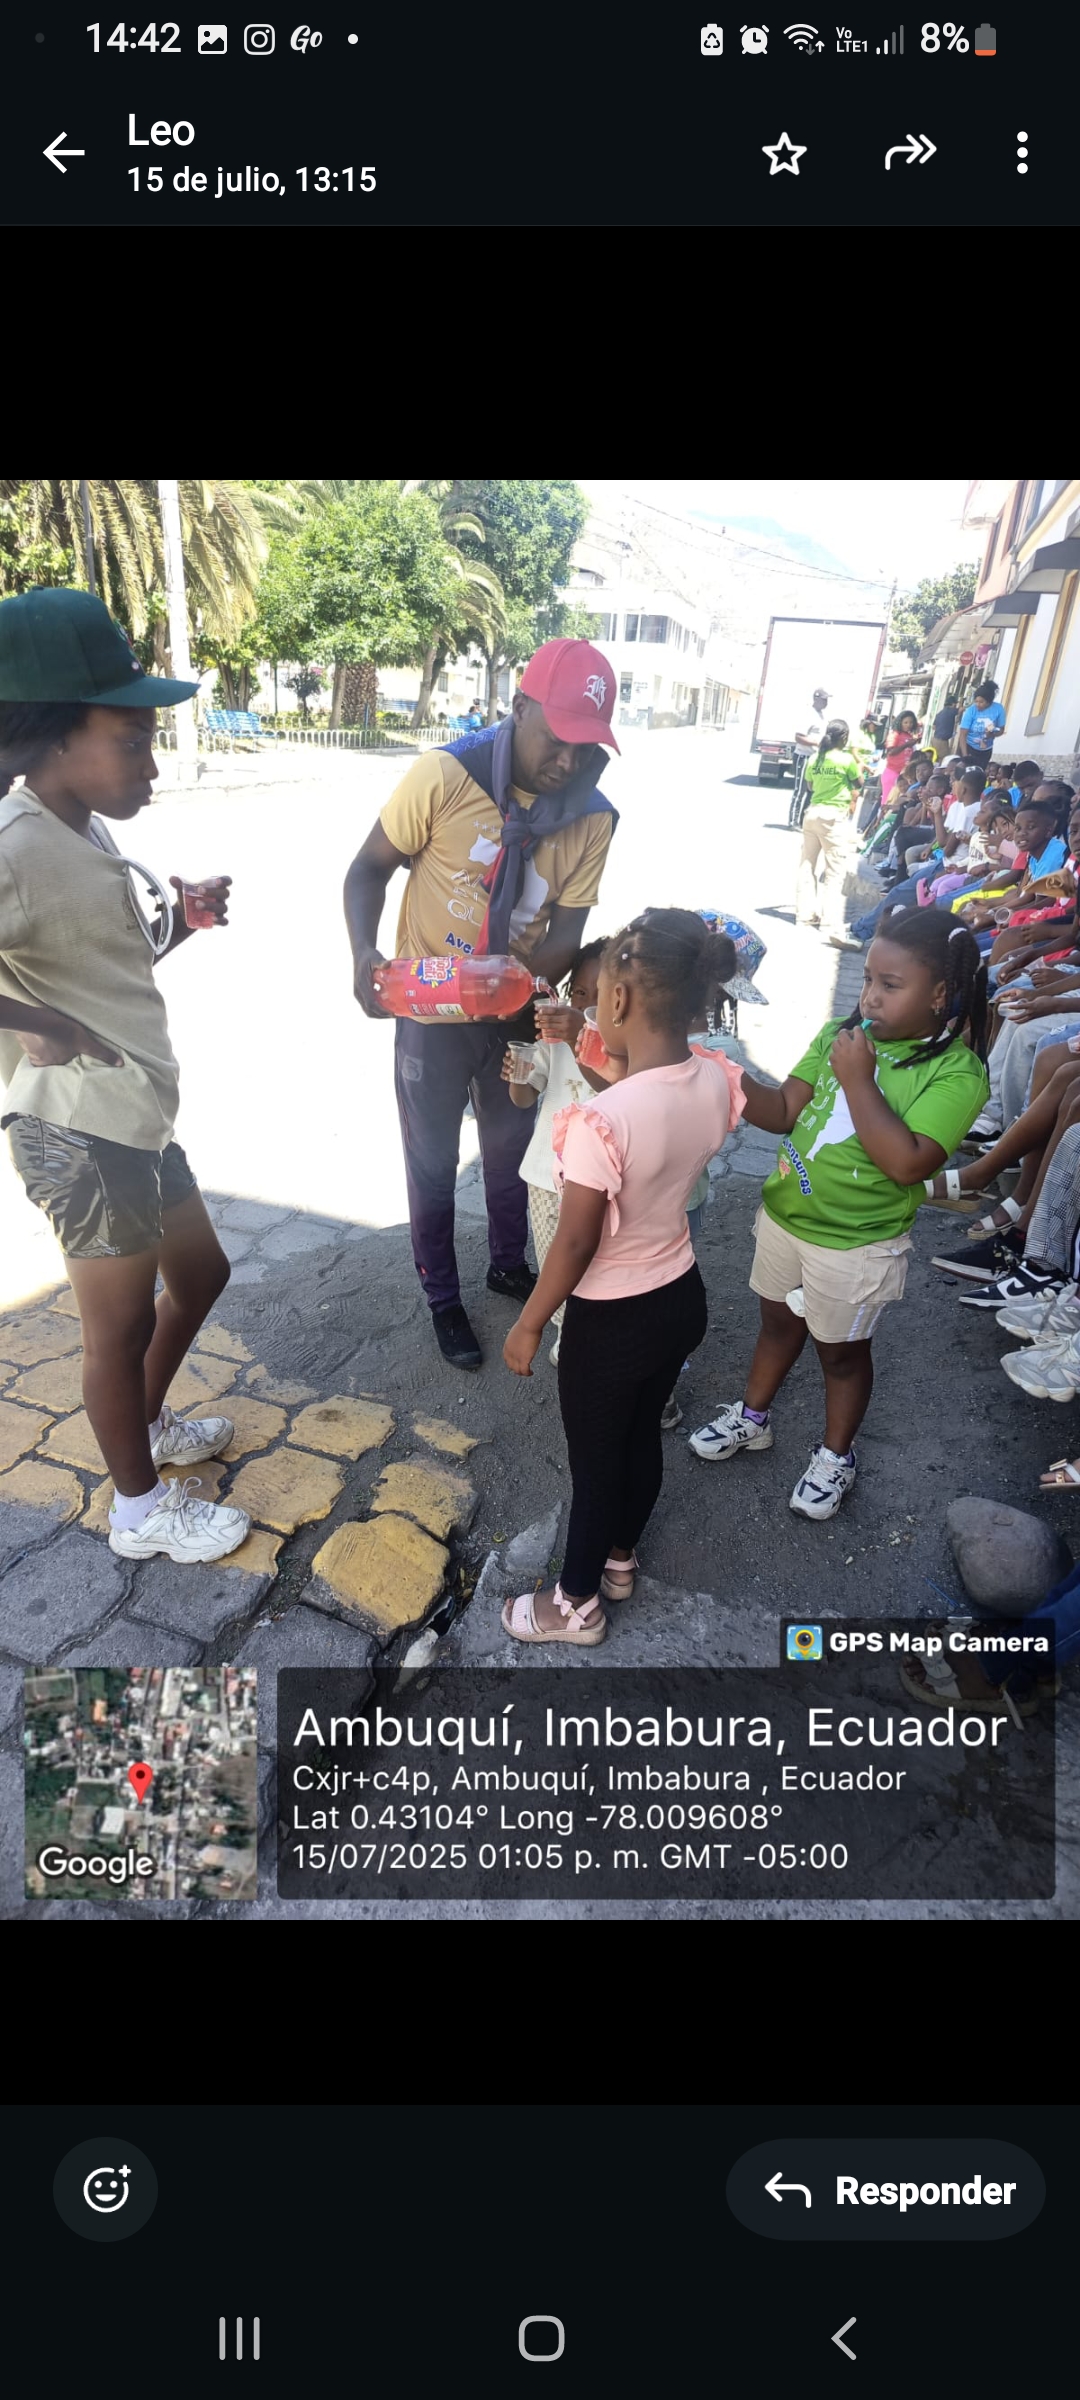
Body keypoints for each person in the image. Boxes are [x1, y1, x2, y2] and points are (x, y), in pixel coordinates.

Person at [0, 587, 251, 1565]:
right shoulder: (17, 844)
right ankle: (139, 1511)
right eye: (134, 741)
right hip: (76, 1128)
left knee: (203, 1273)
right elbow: (51, 1002)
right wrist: (35, 1025)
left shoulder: (79, 825)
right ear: (56, 736)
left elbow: (104, 968)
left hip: (133, 1114)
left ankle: (145, 1428)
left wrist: (178, 926)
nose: (151, 763)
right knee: (119, 1326)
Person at [344, 637, 620, 1370]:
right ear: (519, 707)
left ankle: (506, 1263)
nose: (568, 762)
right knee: (433, 1159)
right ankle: (442, 1296)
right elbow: (367, 870)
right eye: (556, 738)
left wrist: (510, 988)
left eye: (587, 747)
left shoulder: (593, 816)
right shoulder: (445, 775)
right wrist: (363, 953)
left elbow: (567, 935)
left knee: (512, 1150)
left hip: (516, 1015)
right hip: (431, 1014)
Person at [689, 910, 989, 1519]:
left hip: (858, 1244)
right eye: (869, 978)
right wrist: (719, 1071)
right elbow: (783, 1112)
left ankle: (836, 1455)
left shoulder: (956, 1073)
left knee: (842, 1354)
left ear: (940, 993)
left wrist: (858, 1080)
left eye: (890, 985)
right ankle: (753, 1418)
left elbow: (907, 1164)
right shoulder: (838, 1035)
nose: (870, 996)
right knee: (776, 1326)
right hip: (786, 1219)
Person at [500, 911, 744, 1645]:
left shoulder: (601, 1119)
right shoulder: (714, 1078)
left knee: (597, 1466)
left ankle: (574, 1604)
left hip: (609, 1322)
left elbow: (575, 1242)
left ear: (615, 1001)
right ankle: (620, 1560)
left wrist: (530, 1321)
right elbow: (763, 1107)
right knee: (641, 1440)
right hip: (679, 1298)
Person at [500, 937, 610, 1367]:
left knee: (601, 1263)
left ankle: (599, 1330)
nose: (588, 1006)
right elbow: (525, 1098)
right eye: (580, 993)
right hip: (548, 1178)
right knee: (554, 1266)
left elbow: (613, 1086)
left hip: (602, 1182)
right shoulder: (552, 1039)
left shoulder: (623, 1047)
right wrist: (518, 1076)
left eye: (602, 996)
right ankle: (567, 1333)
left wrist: (584, 1037)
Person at [795, 717, 863, 949]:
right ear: (844, 737)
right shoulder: (846, 759)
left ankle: (804, 915)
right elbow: (859, 783)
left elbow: (810, 786)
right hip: (833, 818)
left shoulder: (815, 758)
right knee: (834, 871)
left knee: (807, 865)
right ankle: (829, 920)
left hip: (812, 814)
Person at [791, 687, 831, 815]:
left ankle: (803, 820)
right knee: (800, 790)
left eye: (827, 700)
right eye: (824, 699)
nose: (826, 702)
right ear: (816, 699)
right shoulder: (808, 714)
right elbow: (798, 737)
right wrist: (816, 743)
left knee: (812, 790)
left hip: (816, 758)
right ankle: (793, 821)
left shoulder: (822, 716)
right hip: (804, 757)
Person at [957, 679, 1006, 768]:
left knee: (979, 772)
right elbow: (963, 734)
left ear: (989, 702)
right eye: (976, 701)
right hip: (969, 747)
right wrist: (965, 756)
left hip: (985, 750)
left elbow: (1001, 730)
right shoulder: (971, 710)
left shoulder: (998, 709)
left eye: (981, 702)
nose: (978, 704)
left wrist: (991, 735)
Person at [879, 709, 921, 806]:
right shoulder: (894, 734)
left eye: (911, 722)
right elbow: (890, 752)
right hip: (892, 772)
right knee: (888, 800)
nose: (908, 725)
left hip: (903, 774)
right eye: (905, 722)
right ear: (900, 722)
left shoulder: (909, 736)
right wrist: (907, 745)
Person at [931, 691, 959, 760]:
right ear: (953, 704)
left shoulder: (940, 713)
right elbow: (961, 709)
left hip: (935, 739)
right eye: (955, 704)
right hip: (941, 741)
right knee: (944, 760)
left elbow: (934, 727)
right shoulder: (951, 711)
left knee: (935, 759)